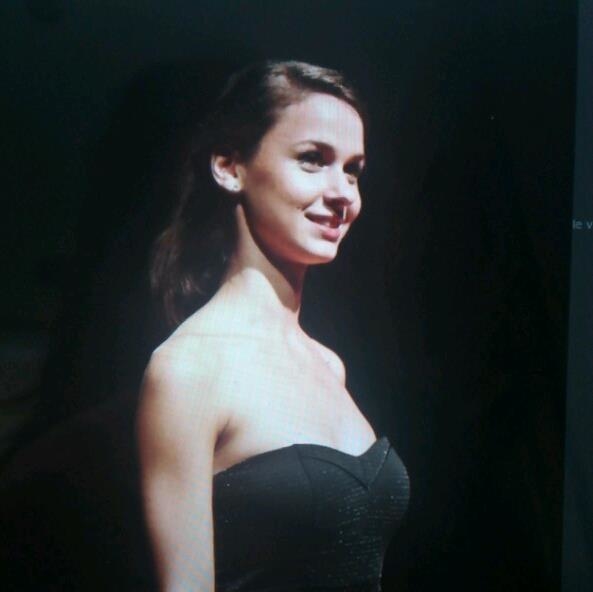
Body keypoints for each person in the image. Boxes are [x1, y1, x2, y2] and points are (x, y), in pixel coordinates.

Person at [137, 60, 410, 592]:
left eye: (353, 170)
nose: (343, 193)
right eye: (313, 159)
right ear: (229, 167)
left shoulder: (329, 364)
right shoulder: (189, 369)